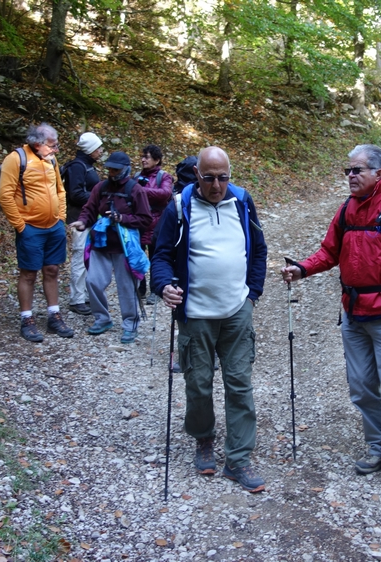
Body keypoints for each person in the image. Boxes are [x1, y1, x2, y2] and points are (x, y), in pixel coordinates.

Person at [281, 144, 381, 486]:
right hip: (353, 314)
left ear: (378, 173)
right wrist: (302, 269)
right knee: (362, 387)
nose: (350, 176)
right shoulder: (347, 209)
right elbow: (329, 251)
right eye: (348, 170)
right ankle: (378, 446)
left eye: (357, 170)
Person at [150, 146, 268, 493]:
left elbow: (258, 250)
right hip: (196, 314)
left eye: (223, 177)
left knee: (239, 383)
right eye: (209, 177)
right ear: (196, 174)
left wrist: (252, 295)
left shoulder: (242, 202)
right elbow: (160, 256)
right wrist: (164, 286)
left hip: (236, 311)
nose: (217, 185)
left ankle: (238, 459)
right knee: (198, 383)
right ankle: (203, 438)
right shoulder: (179, 207)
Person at [0, 122, 75, 342]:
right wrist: (21, 226)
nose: (56, 149)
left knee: (52, 270)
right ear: (37, 143)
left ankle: (53, 315)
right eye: (52, 145)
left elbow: (60, 190)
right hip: (30, 228)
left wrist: (61, 218)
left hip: (54, 227)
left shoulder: (51, 160)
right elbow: (5, 196)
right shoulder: (16, 159)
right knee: (29, 273)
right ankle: (27, 319)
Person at [69, 151, 153, 344]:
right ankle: (102, 319)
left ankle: (130, 324)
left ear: (125, 169)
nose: (112, 172)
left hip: (125, 246)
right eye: (109, 169)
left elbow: (146, 219)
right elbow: (89, 209)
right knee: (93, 281)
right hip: (101, 243)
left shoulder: (135, 190)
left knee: (126, 287)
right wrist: (82, 222)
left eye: (115, 169)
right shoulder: (101, 187)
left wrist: (122, 218)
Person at [63, 132, 103, 316]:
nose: (101, 151)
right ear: (90, 150)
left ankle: (85, 295)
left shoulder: (86, 166)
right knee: (80, 258)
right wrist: (99, 197)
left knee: (89, 258)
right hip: (79, 219)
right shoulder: (78, 167)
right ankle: (76, 299)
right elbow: (75, 194)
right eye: (98, 148)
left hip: (89, 219)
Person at [134, 144, 173, 305]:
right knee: (138, 256)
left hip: (157, 222)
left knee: (156, 256)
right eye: (142, 157)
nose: (143, 160)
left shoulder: (163, 177)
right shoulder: (137, 176)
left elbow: (165, 194)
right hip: (139, 222)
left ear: (156, 160)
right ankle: (140, 289)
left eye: (147, 157)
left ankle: (155, 290)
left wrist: (142, 192)